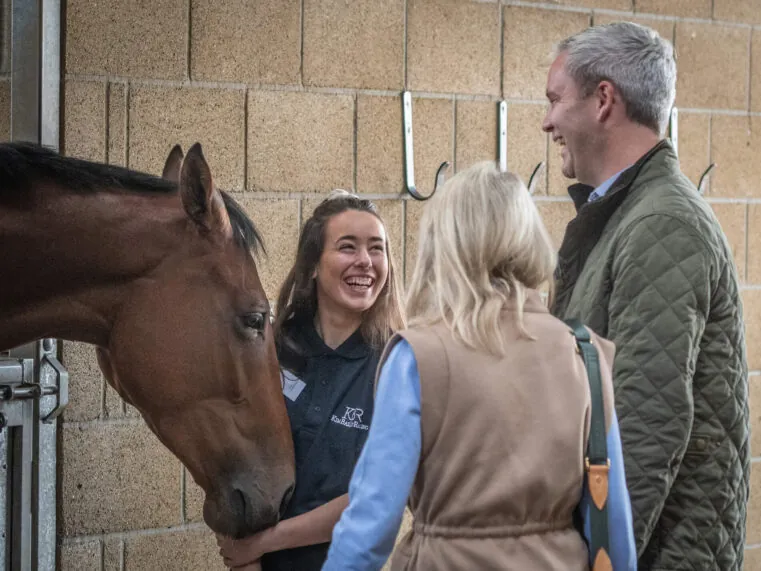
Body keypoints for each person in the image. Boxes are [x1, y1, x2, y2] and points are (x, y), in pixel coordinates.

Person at [320, 162, 637, 570]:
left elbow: (369, 529)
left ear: (445, 243)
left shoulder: (417, 356)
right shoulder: (584, 352)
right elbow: (614, 529)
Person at [542, 22, 750, 570]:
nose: (547, 122)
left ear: (603, 99)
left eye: (555, 100)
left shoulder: (662, 224)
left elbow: (645, 423)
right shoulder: (627, 217)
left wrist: (593, 559)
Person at [216, 190, 406, 571]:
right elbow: (231, 458)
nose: (365, 262)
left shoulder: (396, 364)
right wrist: (244, 556)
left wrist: (263, 543)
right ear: (313, 266)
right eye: (347, 247)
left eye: (377, 248)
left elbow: (375, 499)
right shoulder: (272, 347)